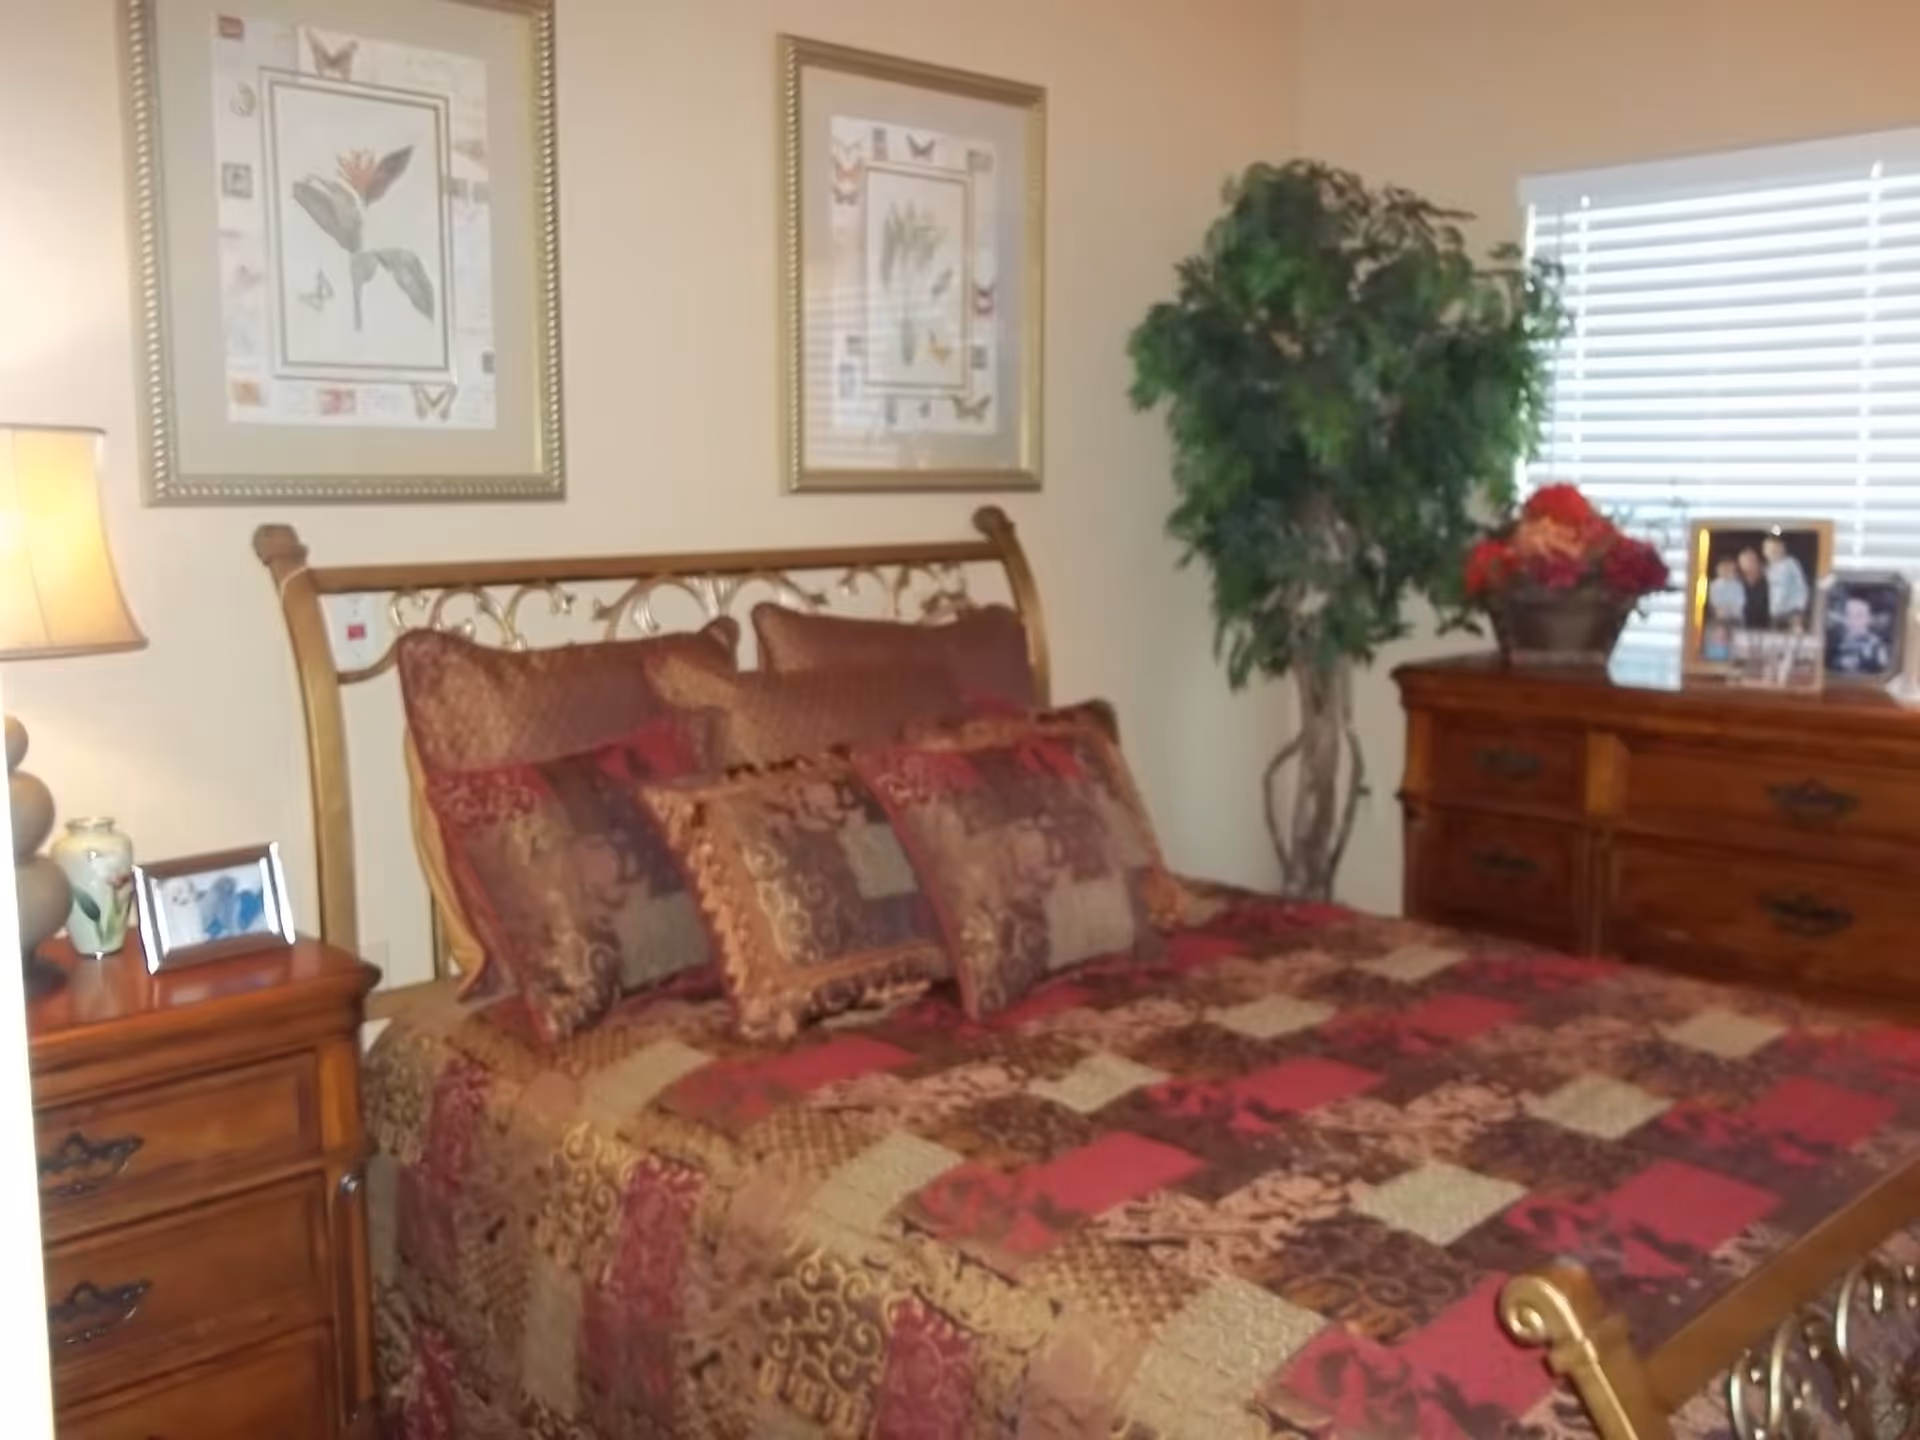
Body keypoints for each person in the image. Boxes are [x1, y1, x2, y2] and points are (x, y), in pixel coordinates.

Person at [1831, 594, 1891, 676]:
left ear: (1868, 619)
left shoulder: (1876, 647)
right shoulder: (1835, 643)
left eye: (1858, 616)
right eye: (1848, 615)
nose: (1852, 620)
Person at [1763, 534, 1810, 631]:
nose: (1773, 551)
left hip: (1792, 613)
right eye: (1770, 548)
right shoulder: (1766, 569)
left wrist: (1800, 610)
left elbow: (1801, 586)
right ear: (1765, 551)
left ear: (1783, 548)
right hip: (1774, 615)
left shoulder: (1791, 563)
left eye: (1777, 547)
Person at [1737, 547, 1771, 629]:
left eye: (1752, 560)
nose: (1749, 564)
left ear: (1759, 562)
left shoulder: (1770, 583)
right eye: (1745, 561)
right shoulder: (1735, 584)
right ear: (1740, 564)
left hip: (1766, 629)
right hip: (1740, 629)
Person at [1707, 557, 1746, 624]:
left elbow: (1741, 602)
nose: (1726, 571)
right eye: (1724, 568)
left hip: (1735, 618)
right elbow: (1714, 602)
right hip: (1719, 618)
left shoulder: (1738, 585)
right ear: (1718, 570)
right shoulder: (1713, 585)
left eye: (1728, 568)